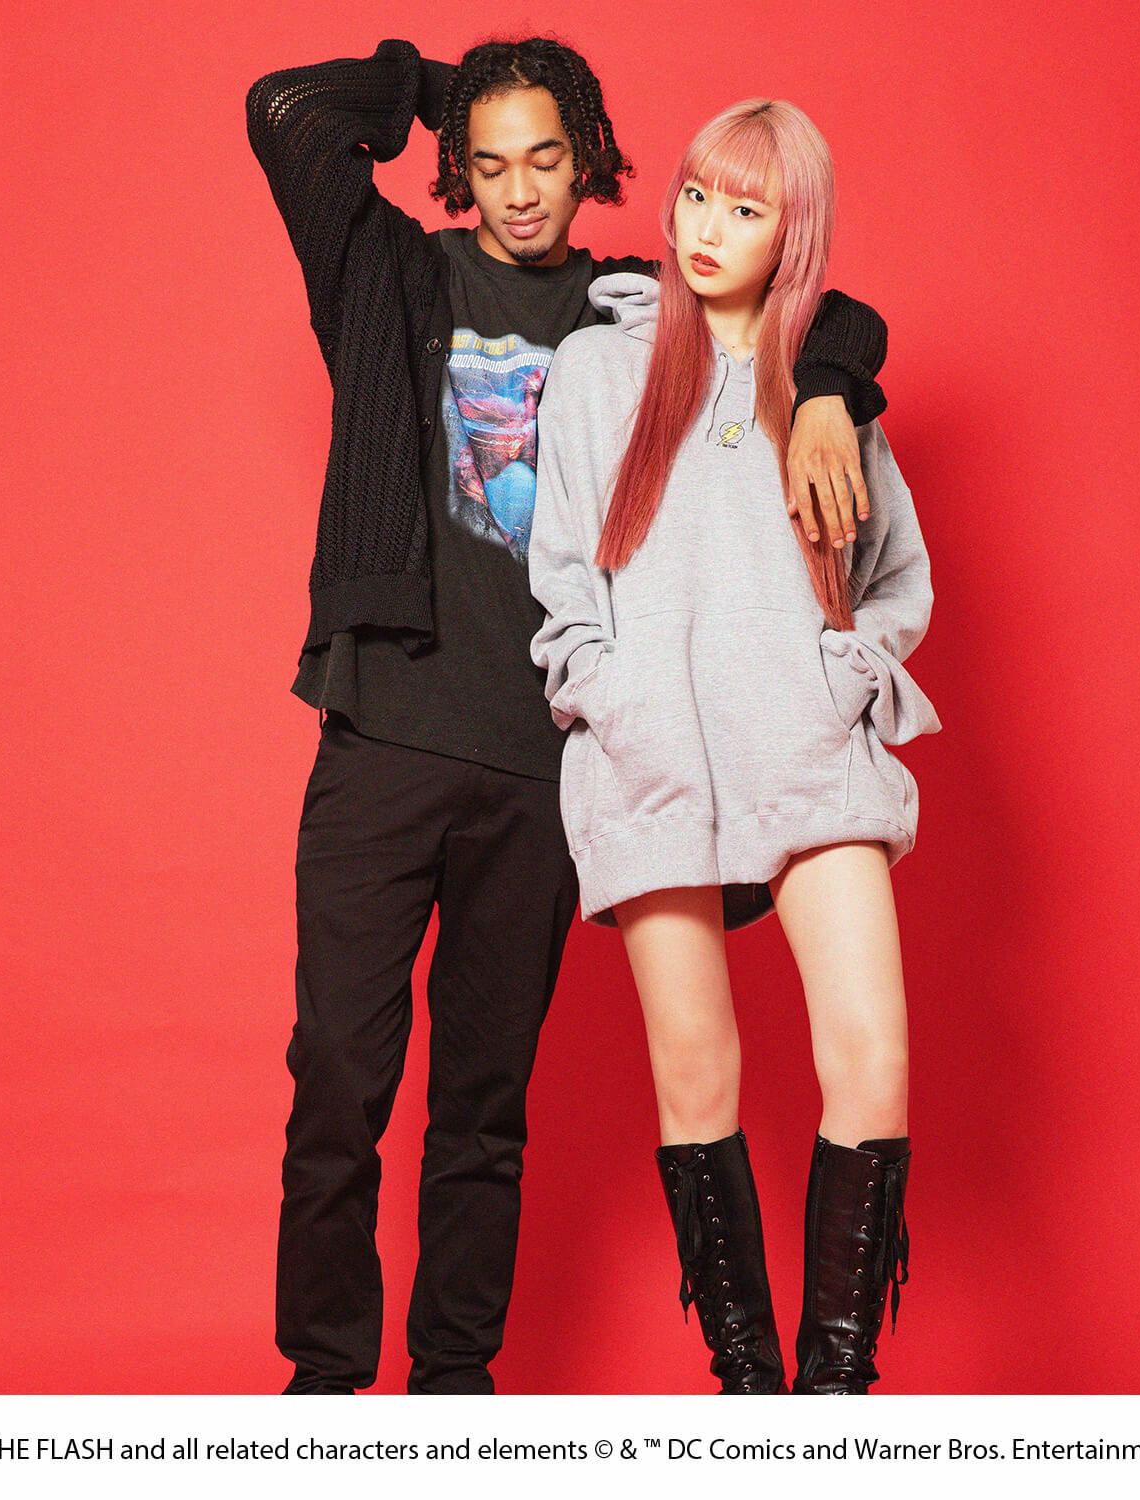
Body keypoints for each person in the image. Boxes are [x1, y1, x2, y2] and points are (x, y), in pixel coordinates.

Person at [246, 35, 893, 1394]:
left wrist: (836, 390)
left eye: (547, 157)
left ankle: (454, 1389)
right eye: (488, 164)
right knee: (340, 1082)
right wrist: (448, 92)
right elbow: (288, 113)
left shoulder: (634, 312)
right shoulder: (394, 276)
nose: (520, 189)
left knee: (483, 1108)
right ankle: (322, 1389)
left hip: (546, 762)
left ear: (587, 160)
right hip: (385, 732)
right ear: (459, 170)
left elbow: (808, 302)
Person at [528, 98, 941, 1394]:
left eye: (747, 208)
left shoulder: (827, 383)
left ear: (791, 232)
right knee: (697, 1072)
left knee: (871, 1054)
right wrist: (609, 698)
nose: (707, 228)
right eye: (698, 195)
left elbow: (895, 579)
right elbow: (564, 579)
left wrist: (837, 681)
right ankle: (751, 1396)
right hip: (647, 760)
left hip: (803, 749)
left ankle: (834, 1402)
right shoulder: (598, 370)